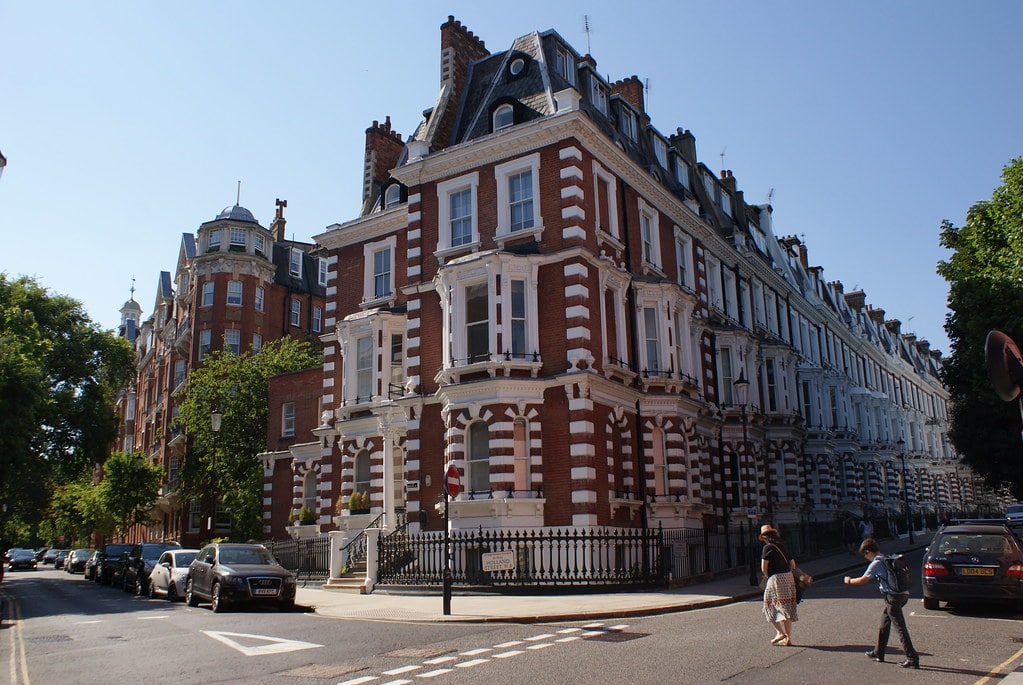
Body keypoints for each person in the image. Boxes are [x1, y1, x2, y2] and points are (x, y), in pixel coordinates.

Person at [843, 538, 920, 669]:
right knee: (884, 623)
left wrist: (849, 581)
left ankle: (912, 657)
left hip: (893, 597)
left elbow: (863, 580)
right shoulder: (885, 557)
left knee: (900, 628)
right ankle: (879, 652)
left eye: (865, 554)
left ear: (868, 551)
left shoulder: (876, 563)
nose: (866, 557)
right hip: (902, 595)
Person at [759, 524, 798, 646]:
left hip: (775, 579)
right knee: (787, 608)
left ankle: (780, 632)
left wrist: (767, 577)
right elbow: (793, 565)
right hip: (788, 577)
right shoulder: (783, 546)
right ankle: (788, 639)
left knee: (769, 605)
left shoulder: (767, 548)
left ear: (764, 537)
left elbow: (763, 568)